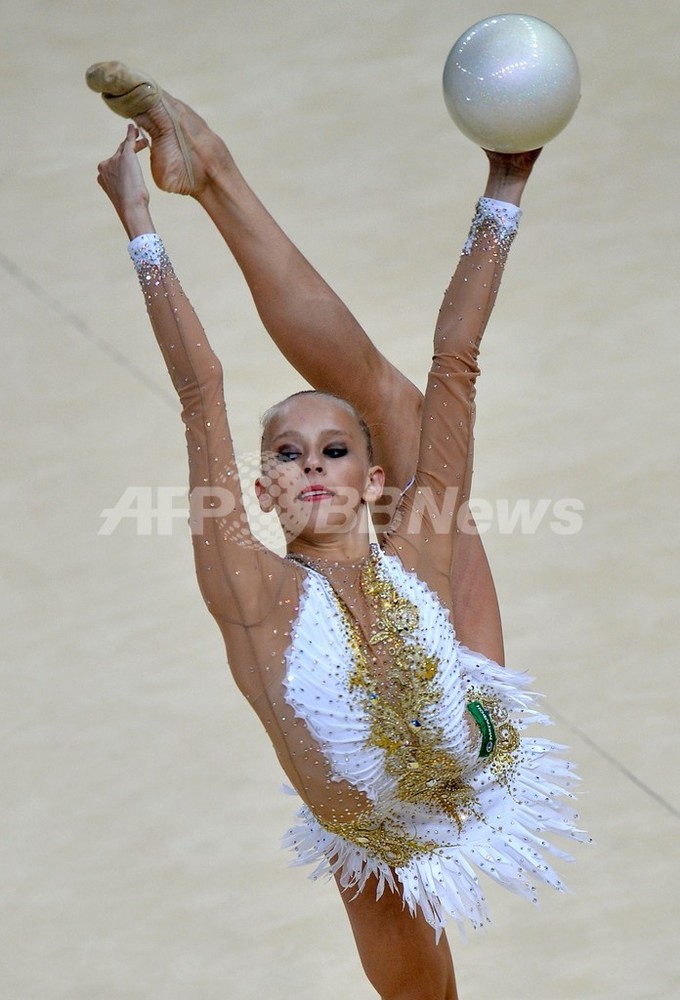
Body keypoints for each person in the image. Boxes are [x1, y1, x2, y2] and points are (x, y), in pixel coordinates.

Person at [88, 62, 586, 1000]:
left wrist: (505, 186)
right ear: (264, 491)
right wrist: (140, 230)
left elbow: (457, 360)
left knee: (396, 393)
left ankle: (214, 170)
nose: (311, 464)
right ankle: (212, 174)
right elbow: (202, 391)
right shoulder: (252, 594)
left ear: (375, 484)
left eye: (332, 450)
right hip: (378, 837)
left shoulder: (422, 538)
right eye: (286, 454)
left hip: (479, 712)